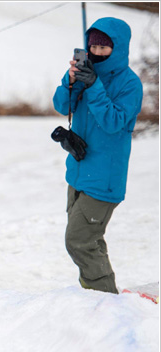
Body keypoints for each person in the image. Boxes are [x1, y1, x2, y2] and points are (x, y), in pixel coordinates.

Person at [52, 18, 143, 294]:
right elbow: (60, 105)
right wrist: (70, 83)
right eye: (93, 45)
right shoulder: (86, 72)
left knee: (78, 240)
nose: (97, 51)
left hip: (104, 179)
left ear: (119, 48)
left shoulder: (130, 84)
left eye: (105, 46)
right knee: (90, 239)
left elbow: (114, 122)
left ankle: (104, 300)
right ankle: (95, 293)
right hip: (78, 172)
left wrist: (94, 87)